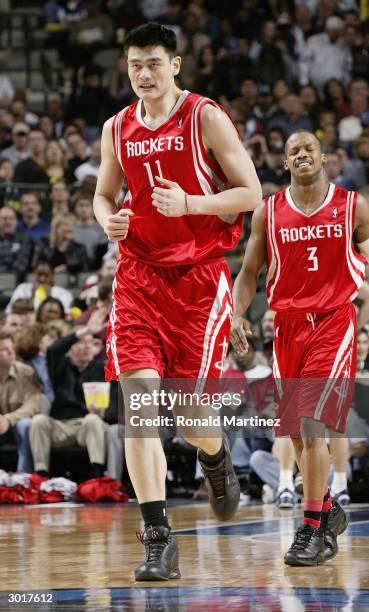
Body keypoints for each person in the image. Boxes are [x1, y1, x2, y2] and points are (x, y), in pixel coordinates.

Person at [93, 23, 261, 581]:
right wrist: (108, 220)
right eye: (135, 64)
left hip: (196, 278)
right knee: (137, 409)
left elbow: (251, 193)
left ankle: (214, 458)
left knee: (190, 417)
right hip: (138, 277)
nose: (143, 73)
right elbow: (101, 194)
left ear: (176, 65)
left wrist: (190, 201)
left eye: (154, 63)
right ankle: (158, 543)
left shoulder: (205, 117)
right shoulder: (116, 128)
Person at [231, 130, 369, 567]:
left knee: (312, 424)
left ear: (325, 157)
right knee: (292, 432)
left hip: (333, 321)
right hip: (288, 329)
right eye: (294, 151)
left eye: (309, 148)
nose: (303, 155)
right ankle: (327, 507)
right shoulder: (267, 213)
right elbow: (250, 272)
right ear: (285, 163)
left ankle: (311, 528)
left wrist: (361, 318)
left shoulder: (353, 206)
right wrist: (237, 315)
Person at [0, 332, 47, 473]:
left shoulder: (26, 372)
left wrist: (8, 419)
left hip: (15, 423)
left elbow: (33, 403)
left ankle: (25, 476)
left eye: (12, 348)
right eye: (4, 349)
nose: (11, 352)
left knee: (25, 425)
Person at [5, 261, 74, 314]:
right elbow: (10, 310)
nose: (42, 279)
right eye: (39, 274)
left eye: (46, 275)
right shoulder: (23, 288)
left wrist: (49, 297)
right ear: (34, 274)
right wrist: (32, 296)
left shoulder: (63, 293)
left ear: (53, 275)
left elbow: (65, 314)